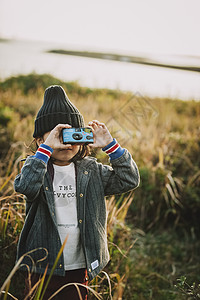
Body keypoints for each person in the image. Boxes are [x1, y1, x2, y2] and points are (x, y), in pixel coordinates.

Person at [14, 85, 140, 299]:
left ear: (82, 138)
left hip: (80, 264)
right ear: (40, 141)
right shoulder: (35, 167)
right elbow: (26, 186)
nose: (66, 142)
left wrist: (110, 145)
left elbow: (129, 179)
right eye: (57, 135)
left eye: (72, 134)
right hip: (41, 265)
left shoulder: (92, 171)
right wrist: (45, 151)